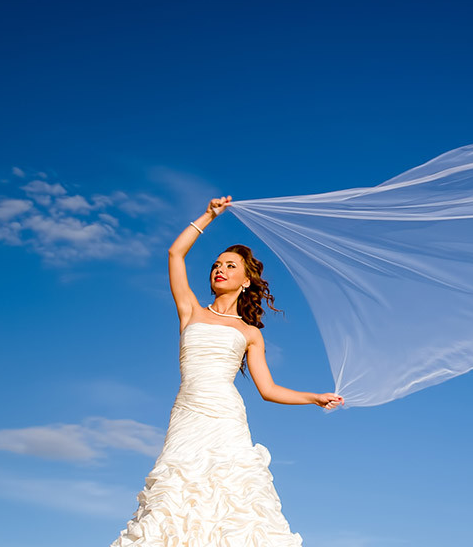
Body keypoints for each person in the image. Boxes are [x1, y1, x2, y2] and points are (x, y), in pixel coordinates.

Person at [110, 195, 342, 547]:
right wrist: (208, 216)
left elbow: (268, 389)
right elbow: (175, 254)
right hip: (187, 414)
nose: (220, 269)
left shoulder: (250, 333)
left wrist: (314, 397)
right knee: (174, 493)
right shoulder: (190, 310)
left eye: (231, 266)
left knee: (232, 499)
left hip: (226, 417)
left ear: (247, 280)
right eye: (218, 264)